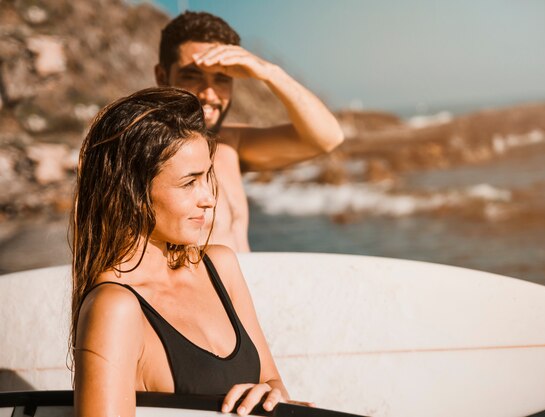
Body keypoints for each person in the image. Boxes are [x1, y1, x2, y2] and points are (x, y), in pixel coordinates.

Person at [71, 87, 290, 416]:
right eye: (190, 183)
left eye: (207, 178)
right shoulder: (114, 309)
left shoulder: (219, 265)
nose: (209, 199)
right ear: (132, 189)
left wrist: (271, 397)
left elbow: (272, 382)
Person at [155, 11, 344, 252]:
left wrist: (268, 72)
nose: (209, 94)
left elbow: (327, 138)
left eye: (222, 79)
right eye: (192, 76)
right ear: (162, 76)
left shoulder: (230, 143)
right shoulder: (147, 155)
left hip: (244, 288)